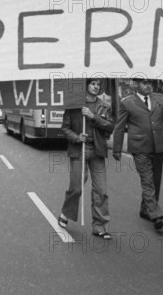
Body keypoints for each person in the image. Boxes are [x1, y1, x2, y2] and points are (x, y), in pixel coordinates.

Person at [113, 77, 163, 230]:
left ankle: (145, 209)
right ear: (135, 84)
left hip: (158, 146)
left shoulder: (159, 99)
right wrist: (117, 148)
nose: (148, 86)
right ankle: (155, 214)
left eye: (150, 83)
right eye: (144, 83)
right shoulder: (127, 102)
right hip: (139, 148)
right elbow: (119, 127)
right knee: (148, 180)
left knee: (156, 181)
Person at [58, 79, 114, 239]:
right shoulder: (74, 104)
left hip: (97, 150)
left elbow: (110, 126)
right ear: (86, 85)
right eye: (93, 84)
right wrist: (77, 137)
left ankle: (100, 226)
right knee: (76, 187)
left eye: (98, 84)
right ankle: (65, 213)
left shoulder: (104, 105)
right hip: (79, 149)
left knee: (101, 190)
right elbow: (65, 128)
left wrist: (93, 116)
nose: (96, 87)